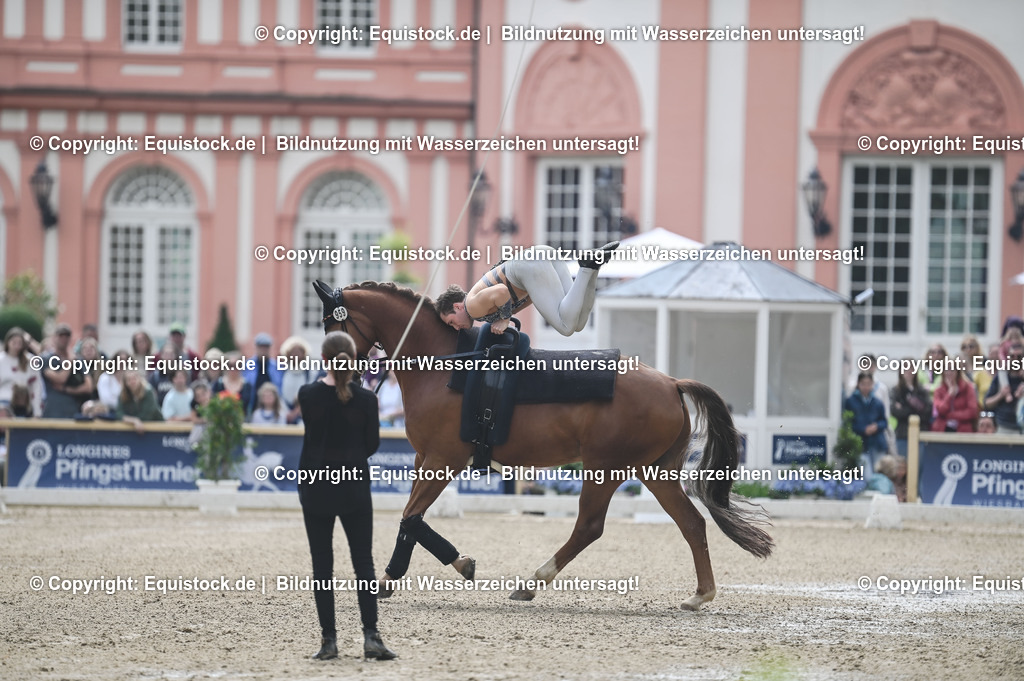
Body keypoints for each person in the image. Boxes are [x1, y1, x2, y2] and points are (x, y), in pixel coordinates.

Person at [297, 331, 396, 661]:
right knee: (363, 563)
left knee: (322, 566)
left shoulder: (308, 394)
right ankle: (371, 636)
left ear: (324, 359)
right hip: (353, 486)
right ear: (354, 359)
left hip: (317, 486)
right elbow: (372, 445)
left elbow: (314, 434)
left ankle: (329, 641)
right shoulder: (367, 399)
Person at [434, 242, 619, 336]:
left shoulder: (472, 307)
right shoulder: (481, 304)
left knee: (566, 327)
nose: (456, 328)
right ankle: (593, 267)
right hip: (541, 254)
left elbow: (501, 292)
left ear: (457, 306)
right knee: (578, 323)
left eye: (451, 322)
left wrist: (505, 319)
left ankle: (586, 267)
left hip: (528, 265)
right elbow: (528, 295)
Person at [42, 323, 94, 418]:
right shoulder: (46, 359)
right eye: (61, 336)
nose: (64, 339)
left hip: (72, 408)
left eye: (66, 336)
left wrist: (67, 389)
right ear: (54, 338)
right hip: (52, 409)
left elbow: (88, 386)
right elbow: (60, 379)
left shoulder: (78, 360)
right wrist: (69, 362)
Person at [843, 372, 888, 474]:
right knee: (867, 475)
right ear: (858, 384)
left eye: (869, 384)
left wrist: (877, 426)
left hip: (877, 443)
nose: (866, 387)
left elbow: (884, 421)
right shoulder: (851, 401)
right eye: (863, 384)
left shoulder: (877, 402)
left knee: (879, 474)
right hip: (861, 444)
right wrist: (863, 429)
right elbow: (848, 423)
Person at [889, 361, 932, 456]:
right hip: (902, 434)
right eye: (905, 369)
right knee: (901, 463)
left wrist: (903, 407)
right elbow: (894, 411)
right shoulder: (896, 390)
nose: (909, 371)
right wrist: (915, 408)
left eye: (911, 369)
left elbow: (927, 412)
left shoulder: (922, 391)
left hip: (920, 434)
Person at [0, 327, 43, 417]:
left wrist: (37, 412)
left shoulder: (30, 361)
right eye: (14, 343)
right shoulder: (1, 360)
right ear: (8, 342)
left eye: (19, 343)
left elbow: (36, 387)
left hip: (24, 405)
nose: (16, 346)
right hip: (4, 403)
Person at [983, 342, 1024, 434]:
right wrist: (1001, 395)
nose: (1015, 359)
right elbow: (986, 404)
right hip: (1004, 427)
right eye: (1012, 356)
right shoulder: (1001, 377)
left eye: (1019, 356)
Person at [279, 336, 317, 424]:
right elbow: (279, 392)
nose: (296, 355)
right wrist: (286, 412)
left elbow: (311, 393)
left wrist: (297, 411)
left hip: (305, 413)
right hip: (285, 414)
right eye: (293, 352)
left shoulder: (310, 373)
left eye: (299, 352)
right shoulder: (282, 371)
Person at [243, 333, 283, 414]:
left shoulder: (276, 366)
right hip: (251, 405)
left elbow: (280, 387)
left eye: (266, 347)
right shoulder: (247, 365)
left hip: (272, 407)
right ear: (256, 347)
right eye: (261, 347)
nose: (263, 350)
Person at [932, 368, 978, 433]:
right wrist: (949, 395)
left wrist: (951, 415)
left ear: (958, 372)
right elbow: (941, 410)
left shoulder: (968, 388)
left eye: (952, 370)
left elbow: (972, 412)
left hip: (963, 430)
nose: (949, 372)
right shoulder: (938, 390)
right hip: (943, 429)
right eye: (946, 369)